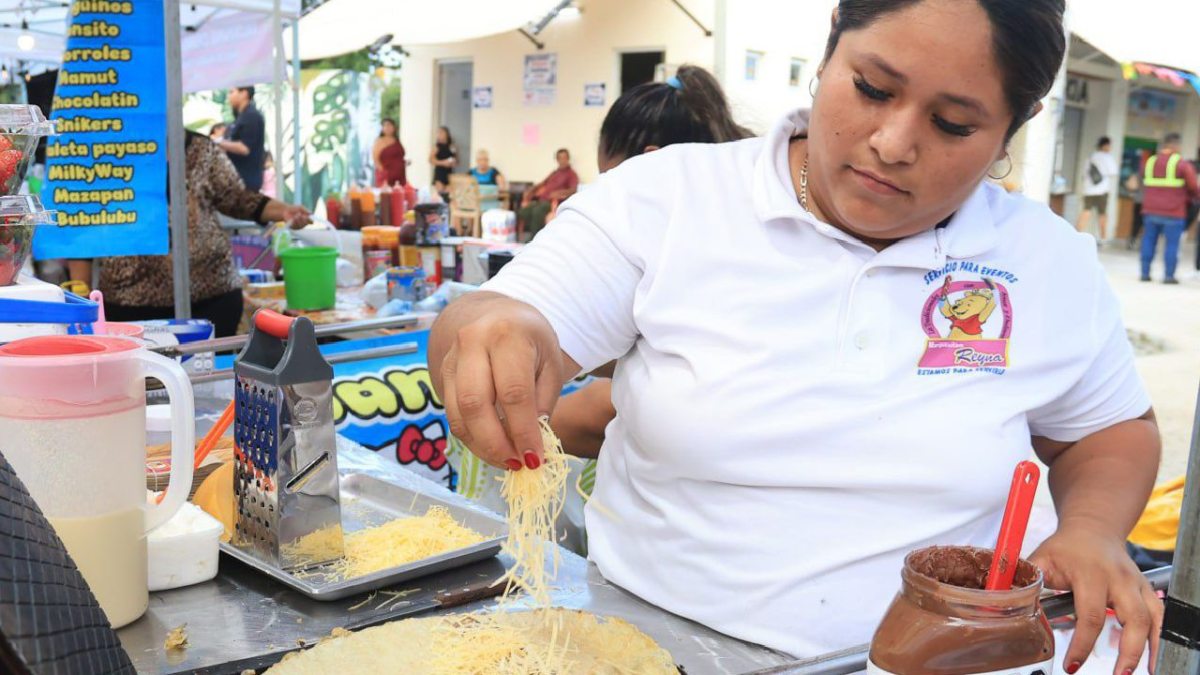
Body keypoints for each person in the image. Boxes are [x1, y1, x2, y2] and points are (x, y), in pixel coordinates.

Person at [430, 2, 1163, 672]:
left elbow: (1108, 431)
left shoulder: (1047, 259)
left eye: (954, 125)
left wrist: (1093, 529)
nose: (893, 142)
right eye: (872, 87)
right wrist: (490, 329)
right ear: (830, 44)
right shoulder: (669, 198)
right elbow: (508, 318)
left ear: (1016, 124)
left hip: (954, 655)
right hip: (660, 646)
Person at [552, 64, 753, 457]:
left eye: (609, 181)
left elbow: (601, 411)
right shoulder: (727, 210)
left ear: (651, 163)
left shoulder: (705, 247)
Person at [73, 131, 310, 337]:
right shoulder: (101, 149)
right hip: (128, 307)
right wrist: (80, 308)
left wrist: (285, 211)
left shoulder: (201, 149)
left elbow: (238, 198)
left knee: (210, 383)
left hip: (212, 299)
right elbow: (80, 227)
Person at [1133, 132, 1200, 283]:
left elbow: (1141, 181)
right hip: (1174, 211)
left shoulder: (1150, 162)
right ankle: (1168, 276)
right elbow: (1194, 188)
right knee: (1172, 244)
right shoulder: (1181, 164)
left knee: (1148, 240)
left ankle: (1145, 273)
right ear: (1176, 146)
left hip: (1150, 209)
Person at [517, 148, 578, 240]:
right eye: (560, 158)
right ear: (557, 160)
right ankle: (522, 238)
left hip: (554, 203)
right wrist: (532, 190)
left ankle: (533, 240)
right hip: (541, 200)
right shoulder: (555, 172)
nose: (562, 161)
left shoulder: (571, 174)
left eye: (564, 158)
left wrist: (559, 192)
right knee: (523, 211)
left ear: (568, 159)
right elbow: (543, 183)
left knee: (537, 211)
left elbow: (574, 190)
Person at [217, 86, 266, 192]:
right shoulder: (240, 118)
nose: (228, 96)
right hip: (235, 182)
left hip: (246, 183)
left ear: (244, 93)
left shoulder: (252, 117)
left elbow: (244, 148)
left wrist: (219, 142)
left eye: (231, 92)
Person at [1075, 136, 1118, 242]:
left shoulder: (1090, 157)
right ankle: (1103, 238)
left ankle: (1076, 234)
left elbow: (1084, 174)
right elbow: (1114, 172)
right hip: (1102, 190)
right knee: (1102, 215)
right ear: (1106, 145)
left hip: (1088, 190)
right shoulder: (1108, 157)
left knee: (1086, 211)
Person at [373, 118, 407, 187]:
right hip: (387, 175)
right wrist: (383, 174)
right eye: (385, 126)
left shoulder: (396, 140)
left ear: (394, 127)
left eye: (389, 125)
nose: (387, 128)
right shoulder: (380, 141)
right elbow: (376, 159)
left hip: (400, 175)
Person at [429, 126, 457, 194]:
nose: (439, 134)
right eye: (438, 133)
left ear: (446, 134)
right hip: (439, 173)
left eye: (441, 132)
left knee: (449, 194)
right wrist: (443, 163)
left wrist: (453, 162)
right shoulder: (436, 147)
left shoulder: (452, 146)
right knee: (440, 194)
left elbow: (456, 160)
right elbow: (430, 160)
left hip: (449, 173)